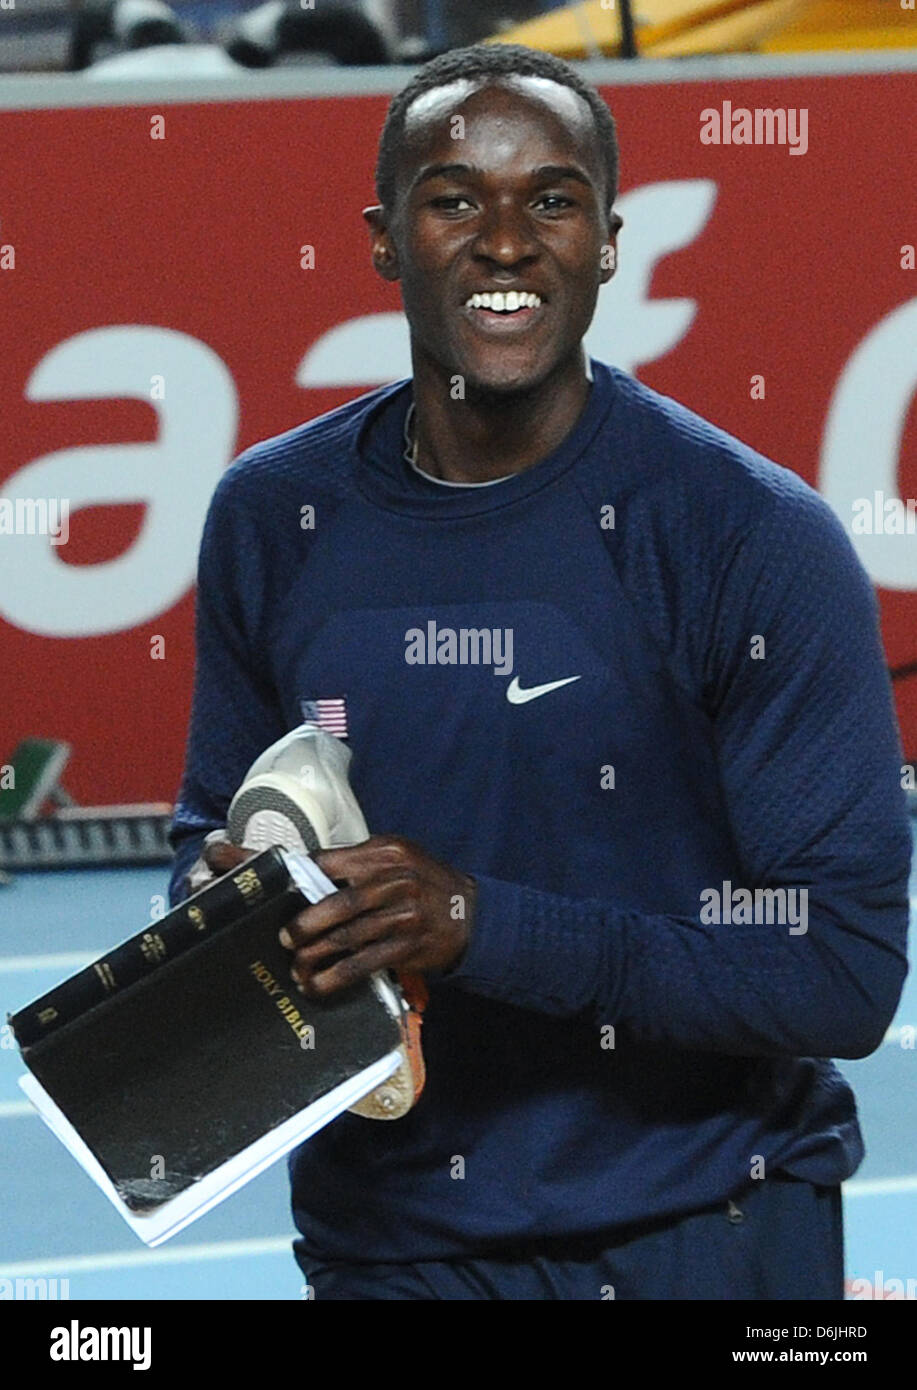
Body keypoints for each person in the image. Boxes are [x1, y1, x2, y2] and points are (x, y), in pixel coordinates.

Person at [168, 42, 912, 1300]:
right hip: (391, 1247)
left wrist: (478, 926)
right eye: (454, 197)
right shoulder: (269, 517)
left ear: (609, 241)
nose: (504, 240)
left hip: (710, 1231)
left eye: (551, 199)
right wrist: (224, 902)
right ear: (382, 238)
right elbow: (205, 839)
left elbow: (837, 970)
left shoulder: (749, 539)